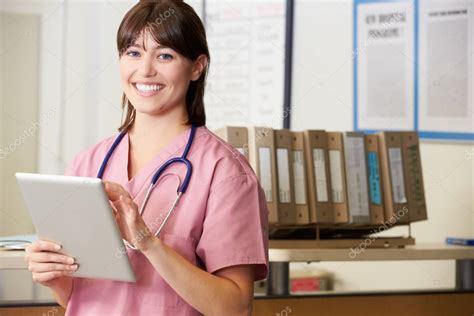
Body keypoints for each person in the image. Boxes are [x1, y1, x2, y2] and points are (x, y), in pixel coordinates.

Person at [24, 1, 269, 315]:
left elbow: (234, 308)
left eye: (165, 55)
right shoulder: (87, 164)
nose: (145, 70)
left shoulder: (226, 173)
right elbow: (80, 297)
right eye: (133, 52)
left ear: (197, 67)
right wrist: (55, 277)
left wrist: (148, 243)